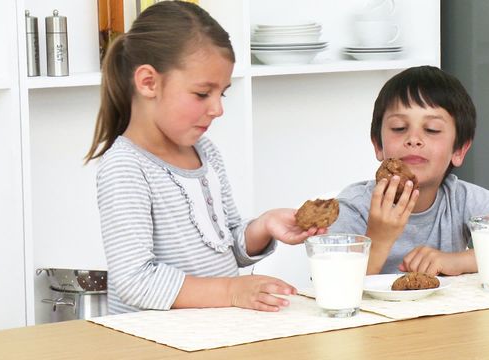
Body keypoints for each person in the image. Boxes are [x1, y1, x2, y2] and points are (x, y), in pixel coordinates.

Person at [84, 1, 323, 315]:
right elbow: (135, 280)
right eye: (202, 94)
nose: (217, 109)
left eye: (221, 93)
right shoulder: (126, 167)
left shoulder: (205, 152)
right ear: (148, 82)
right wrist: (232, 290)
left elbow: (229, 246)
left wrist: (264, 226)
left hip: (207, 335)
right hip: (152, 343)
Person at [328, 66, 489, 276]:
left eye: (432, 129)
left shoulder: (459, 198)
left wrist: (457, 261)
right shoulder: (352, 207)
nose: (414, 139)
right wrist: (379, 238)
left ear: (459, 150)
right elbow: (335, 284)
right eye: (399, 128)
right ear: (378, 145)